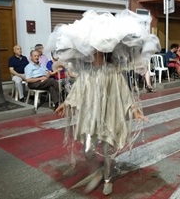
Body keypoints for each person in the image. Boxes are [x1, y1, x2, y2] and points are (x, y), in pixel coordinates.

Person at [55, 51, 147, 195]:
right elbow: (77, 90)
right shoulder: (86, 71)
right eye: (92, 49)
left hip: (108, 115)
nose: (95, 52)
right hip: (91, 116)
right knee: (88, 150)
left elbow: (123, 92)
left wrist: (134, 110)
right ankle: (98, 171)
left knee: (108, 151)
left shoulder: (113, 71)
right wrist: (66, 104)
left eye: (98, 50)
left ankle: (107, 180)